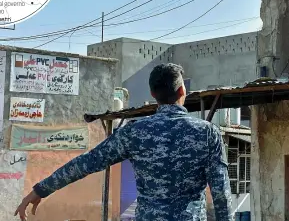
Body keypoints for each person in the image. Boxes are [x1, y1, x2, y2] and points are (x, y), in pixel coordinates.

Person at [14, 63, 232, 221]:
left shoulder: (135, 133)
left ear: (152, 94)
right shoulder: (207, 133)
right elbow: (221, 194)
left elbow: (86, 163)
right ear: (182, 91)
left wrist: (41, 190)